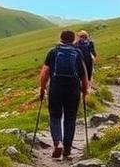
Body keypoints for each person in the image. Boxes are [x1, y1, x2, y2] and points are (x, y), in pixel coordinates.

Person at [38, 30, 90, 159]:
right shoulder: (77, 53)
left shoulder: (53, 52)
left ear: (60, 38)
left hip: (56, 88)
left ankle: (57, 143)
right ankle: (67, 149)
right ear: (73, 40)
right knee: (70, 119)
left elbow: (45, 72)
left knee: (55, 117)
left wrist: (42, 88)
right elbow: (84, 75)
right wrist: (85, 91)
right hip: (73, 90)